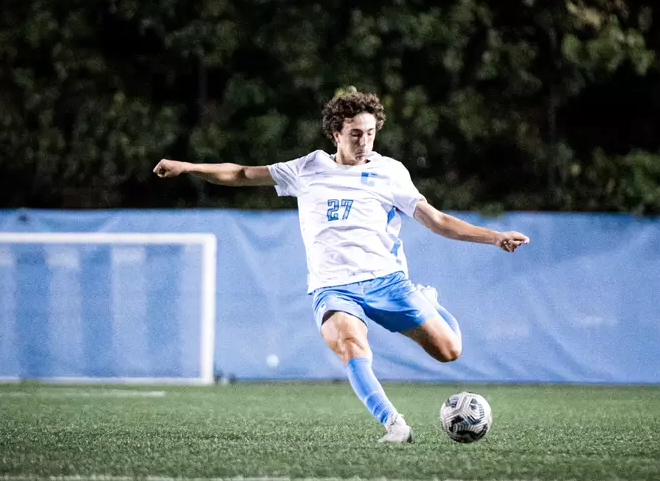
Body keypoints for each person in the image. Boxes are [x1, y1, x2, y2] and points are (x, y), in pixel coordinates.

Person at [153, 90, 529, 443]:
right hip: (333, 287)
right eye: (355, 134)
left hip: (387, 283)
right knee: (351, 345)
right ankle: (394, 424)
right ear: (336, 134)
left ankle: (427, 300)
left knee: (449, 352)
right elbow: (240, 174)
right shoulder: (307, 168)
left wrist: (494, 236)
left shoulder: (390, 172)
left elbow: (436, 220)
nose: (364, 141)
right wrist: (187, 166)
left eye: (370, 133)